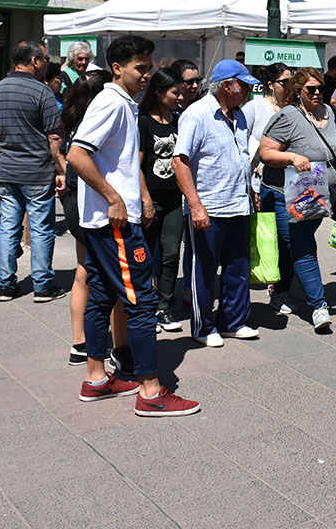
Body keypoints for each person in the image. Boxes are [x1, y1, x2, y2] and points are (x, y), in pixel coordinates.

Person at [66, 35, 200, 417]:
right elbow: (77, 154)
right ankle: (151, 391)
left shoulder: (122, 102)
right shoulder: (111, 102)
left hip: (105, 222)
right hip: (114, 223)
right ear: (117, 68)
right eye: (140, 68)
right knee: (142, 301)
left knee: (101, 296)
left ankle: (96, 378)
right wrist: (114, 198)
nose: (146, 74)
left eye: (148, 67)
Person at [173, 60, 262, 346]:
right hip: (209, 207)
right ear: (226, 86)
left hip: (238, 204)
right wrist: (195, 205)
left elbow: (241, 156)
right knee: (204, 270)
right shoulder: (196, 115)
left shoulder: (240, 115)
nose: (248, 91)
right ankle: (203, 327)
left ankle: (233, 322)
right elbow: (180, 162)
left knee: (238, 267)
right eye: (243, 85)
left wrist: (250, 191)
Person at [0, 40, 66, 303]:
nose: (47, 64)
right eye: (45, 59)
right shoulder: (43, 93)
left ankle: (5, 285)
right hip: (38, 172)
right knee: (41, 229)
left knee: (8, 227)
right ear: (34, 61)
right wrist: (61, 170)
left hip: (8, 172)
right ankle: (43, 286)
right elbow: (54, 137)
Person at [260, 67, 336, 330]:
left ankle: (279, 293)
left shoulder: (328, 112)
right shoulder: (288, 116)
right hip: (286, 195)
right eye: (311, 89)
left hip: (318, 195)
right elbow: (266, 153)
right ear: (298, 92)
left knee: (291, 247)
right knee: (303, 246)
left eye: (320, 88)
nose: (317, 92)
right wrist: (292, 157)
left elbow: (332, 151)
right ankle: (319, 306)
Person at [58, 71, 129, 367]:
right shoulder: (101, 119)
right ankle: (120, 346)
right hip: (95, 205)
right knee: (115, 277)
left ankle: (79, 344)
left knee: (83, 271)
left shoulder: (75, 120)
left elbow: (64, 154)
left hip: (74, 204)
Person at [137, 68, 186, 333]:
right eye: (175, 92)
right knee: (144, 256)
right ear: (159, 93)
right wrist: (145, 199)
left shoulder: (180, 121)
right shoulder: (143, 122)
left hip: (174, 200)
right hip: (150, 199)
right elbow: (136, 165)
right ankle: (144, 308)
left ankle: (163, 308)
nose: (180, 97)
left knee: (171, 254)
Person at [243, 63, 295, 196]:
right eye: (284, 82)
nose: (289, 86)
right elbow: (241, 145)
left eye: (291, 81)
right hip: (260, 184)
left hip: (293, 183)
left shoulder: (296, 109)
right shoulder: (254, 108)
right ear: (271, 85)